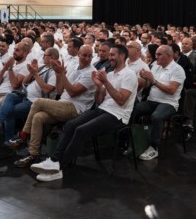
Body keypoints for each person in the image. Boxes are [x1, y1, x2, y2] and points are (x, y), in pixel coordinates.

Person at [30, 44, 137, 182]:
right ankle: (54, 161)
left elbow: (121, 100)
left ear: (122, 56)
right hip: (103, 109)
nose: (109, 57)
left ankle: (60, 168)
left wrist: (105, 82)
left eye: (112, 55)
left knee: (81, 130)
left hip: (118, 115)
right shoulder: (110, 74)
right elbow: (99, 101)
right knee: (70, 125)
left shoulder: (129, 75)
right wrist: (98, 87)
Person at [13, 44, 97, 168]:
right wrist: (58, 74)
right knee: (38, 117)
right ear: (78, 55)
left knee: (38, 102)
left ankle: (23, 135)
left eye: (90, 56)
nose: (87, 58)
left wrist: (61, 73)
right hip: (63, 104)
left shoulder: (91, 72)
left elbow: (72, 92)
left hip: (75, 108)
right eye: (84, 55)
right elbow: (59, 90)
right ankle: (33, 154)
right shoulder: (74, 66)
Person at [132, 45, 185, 160]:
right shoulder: (156, 66)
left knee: (156, 117)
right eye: (156, 54)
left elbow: (171, 90)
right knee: (133, 109)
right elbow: (148, 84)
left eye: (159, 54)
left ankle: (153, 147)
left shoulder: (178, 69)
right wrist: (145, 79)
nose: (156, 57)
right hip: (152, 100)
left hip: (169, 103)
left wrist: (153, 80)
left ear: (168, 56)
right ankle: (133, 140)